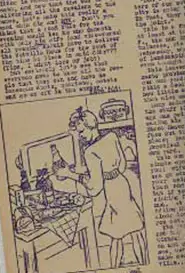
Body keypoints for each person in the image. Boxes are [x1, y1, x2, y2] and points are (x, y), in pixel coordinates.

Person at [55, 108, 148, 268]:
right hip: (122, 185)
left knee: (116, 235)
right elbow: (121, 165)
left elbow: (94, 188)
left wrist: (70, 174)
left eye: (81, 131)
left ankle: (114, 268)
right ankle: (144, 263)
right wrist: (82, 170)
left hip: (112, 192)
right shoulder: (112, 137)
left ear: (91, 126)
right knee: (136, 230)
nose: (81, 136)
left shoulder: (90, 152)